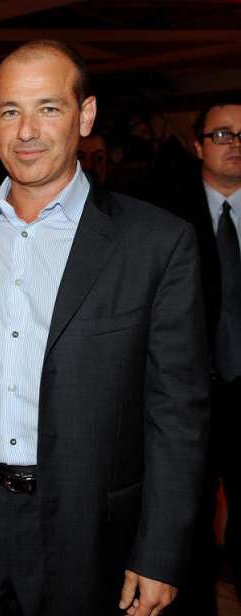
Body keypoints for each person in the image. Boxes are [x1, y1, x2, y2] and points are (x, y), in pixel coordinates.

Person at [0, 40, 210, 616]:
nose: (26, 130)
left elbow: (178, 411)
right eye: (10, 111)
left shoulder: (156, 242)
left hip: (87, 524)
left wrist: (160, 552)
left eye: (48, 108)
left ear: (86, 116)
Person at [163, 92, 241, 613]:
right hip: (192, 398)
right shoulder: (166, 218)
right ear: (198, 146)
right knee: (186, 523)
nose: (235, 145)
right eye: (222, 135)